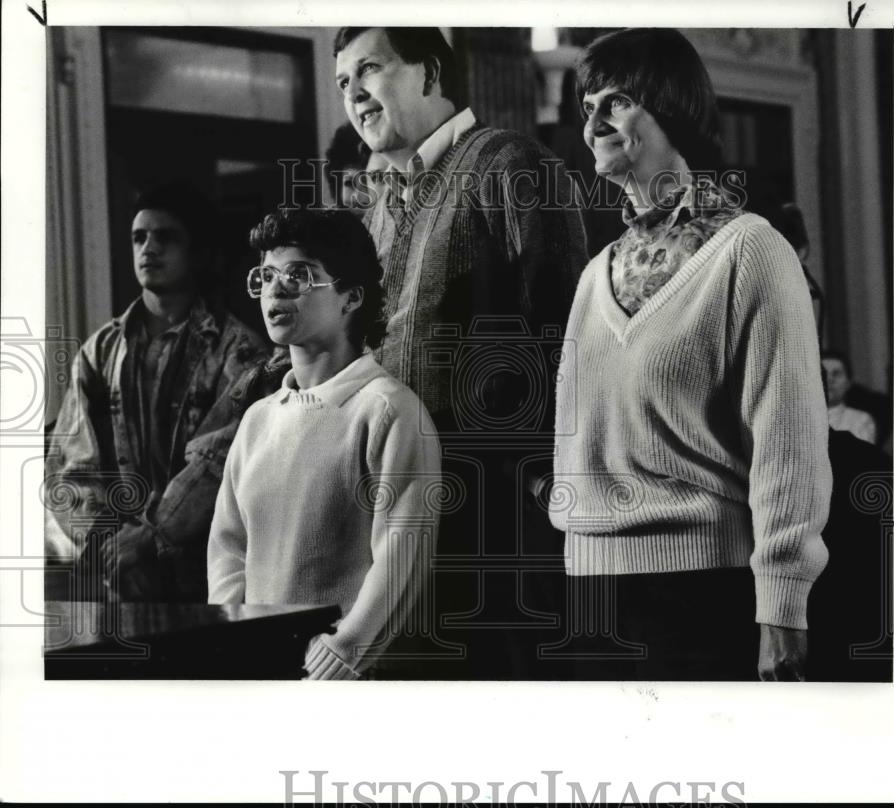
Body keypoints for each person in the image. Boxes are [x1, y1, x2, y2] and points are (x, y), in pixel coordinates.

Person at [550, 28, 832, 681]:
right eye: (585, 106)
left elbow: (787, 443)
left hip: (703, 589)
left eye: (614, 102)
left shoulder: (751, 250)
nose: (592, 124)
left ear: (671, 105)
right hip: (587, 592)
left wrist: (783, 605)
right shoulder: (596, 273)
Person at [334, 27, 589, 677]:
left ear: (430, 72)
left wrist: (542, 493)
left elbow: (564, 338)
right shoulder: (377, 206)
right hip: (395, 527)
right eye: (342, 83)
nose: (355, 94)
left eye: (370, 69)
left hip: (496, 529)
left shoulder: (511, 163)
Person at [206, 208, 441, 680]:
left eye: (300, 275)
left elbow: (402, 554)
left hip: (348, 675)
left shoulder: (388, 411)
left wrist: (344, 649)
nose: (276, 289)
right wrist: (235, 634)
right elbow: (228, 548)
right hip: (260, 665)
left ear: (350, 297)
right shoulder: (257, 420)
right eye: (267, 276)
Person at [45, 182, 268, 602]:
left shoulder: (241, 352)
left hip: (205, 573)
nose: (149, 248)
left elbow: (220, 464)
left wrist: (150, 537)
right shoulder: (100, 351)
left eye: (165, 237)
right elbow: (71, 467)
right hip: (117, 578)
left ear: (198, 251)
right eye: (139, 237)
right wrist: (108, 548)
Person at [822, 349, 878, 444]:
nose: (829, 379)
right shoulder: (800, 420)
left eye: (836, 374)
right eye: (823, 374)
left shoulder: (861, 420)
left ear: (848, 383)